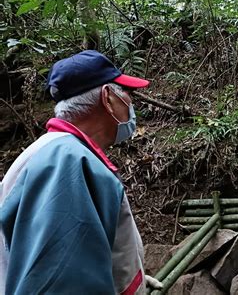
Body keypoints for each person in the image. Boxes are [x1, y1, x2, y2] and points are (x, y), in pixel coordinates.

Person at [0, 50, 161, 294]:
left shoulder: (53, 153)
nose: (131, 102)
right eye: (127, 93)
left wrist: (127, 277)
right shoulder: (68, 162)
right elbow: (61, 280)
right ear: (107, 98)